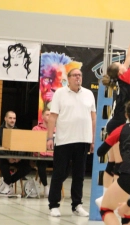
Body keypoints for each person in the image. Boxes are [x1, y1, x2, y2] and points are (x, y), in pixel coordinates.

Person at [97, 23, 130, 206]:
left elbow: (129, 56)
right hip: (120, 125)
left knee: (112, 164)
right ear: (120, 71)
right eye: (120, 65)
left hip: (115, 123)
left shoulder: (120, 79)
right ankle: (115, 199)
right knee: (119, 165)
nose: (123, 63)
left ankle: (105, 196)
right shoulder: (126, 78)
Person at [46, 68, 97, 217]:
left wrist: (93, 140)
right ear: (68, 79)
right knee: (59, 173)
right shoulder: (60, 94)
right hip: (64, 140)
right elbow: (53, 117)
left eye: (80, 75)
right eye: (74, 75)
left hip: (83, 140)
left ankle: (77, 205)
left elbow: (93, 118)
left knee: (79, 174)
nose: (78, 78)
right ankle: (53, 205)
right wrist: (50, 138)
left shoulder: (89, 94)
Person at [97, 100, 130, 225]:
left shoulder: (121, 129)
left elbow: (100, 152)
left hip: (129, 174)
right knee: (127, 212)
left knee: (105, 209)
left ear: (126, 115)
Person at [0, 111, 31, 195]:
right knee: (4, 165)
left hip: (16, 158)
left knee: (27, 167)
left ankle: (7, 182)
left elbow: (22, 147)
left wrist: (18, 158)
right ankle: (8, 183)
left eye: (14, 118)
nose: (12, 120)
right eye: (10, 118)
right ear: (5, 118)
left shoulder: (18, 132)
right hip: (3, 157)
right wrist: (8, 158)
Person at [32, 108, 53, 198]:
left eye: (50, 115)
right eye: (47, 114)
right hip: (41, 155)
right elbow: (33, 143)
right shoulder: (36, 129)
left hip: (53, 155)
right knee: (41, 165)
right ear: (42, 116)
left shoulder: (56, 129)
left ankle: (55, 186)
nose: (49, 117)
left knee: (66, 165)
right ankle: (45, 186)